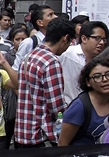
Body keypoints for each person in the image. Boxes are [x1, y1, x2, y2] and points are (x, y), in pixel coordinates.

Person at [15, 19, 76, 148]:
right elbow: (57, 107)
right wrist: (65, 119)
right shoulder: (51, 61)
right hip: (41, 135)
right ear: (65, 38)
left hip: (23, 132)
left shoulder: (29, 56)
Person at [58, 57, 109, 146]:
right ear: (88, 82)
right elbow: (63, 144)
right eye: (97, 76)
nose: (105, 79)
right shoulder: (79, 107)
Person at [61, 20, 109, 105]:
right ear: (84, 38)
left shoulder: (100, 62)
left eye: (104, 39)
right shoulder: (67, 54)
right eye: (97, 38)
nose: (102, 43)